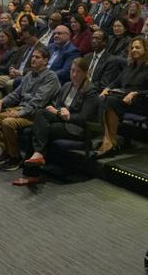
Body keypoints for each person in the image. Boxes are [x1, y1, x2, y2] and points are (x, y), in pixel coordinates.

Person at [15, 57, 100, 185]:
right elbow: (59, 106)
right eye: (72, 71)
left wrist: (67, 115)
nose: (74, 74)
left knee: (36, 130)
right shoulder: (66, 86)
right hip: (62, 120)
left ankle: (32, 171)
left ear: (85, 73)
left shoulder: (90, 91)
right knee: (41, 113)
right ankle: (37, 157)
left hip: (77, 127)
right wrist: (59, 111)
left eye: (78, 72)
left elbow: (85, 117)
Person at [0, 46, 59, 171]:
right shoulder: (29, 74)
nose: (33, 59)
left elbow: (38, 102)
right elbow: (15, 94)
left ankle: (15, 157)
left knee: (8, 122)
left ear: (45, 61)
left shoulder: (50, 77)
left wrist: (19, 113)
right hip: (20, 108)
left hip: (36, 115)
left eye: (37, 57)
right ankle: (8, 151)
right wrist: (1, 101)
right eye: (33, 56)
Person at [96, 36, 148, 156]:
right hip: (122, 100)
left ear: (146, 49)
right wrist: (107, 88)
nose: (134, 50)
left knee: (111, 101)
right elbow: (116, 81)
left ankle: (109, 142)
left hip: (141, 103)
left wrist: (135, 93)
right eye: (132, 48)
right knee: (104, 98)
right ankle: (110, 141)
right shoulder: (130, 66)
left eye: (137, 47)